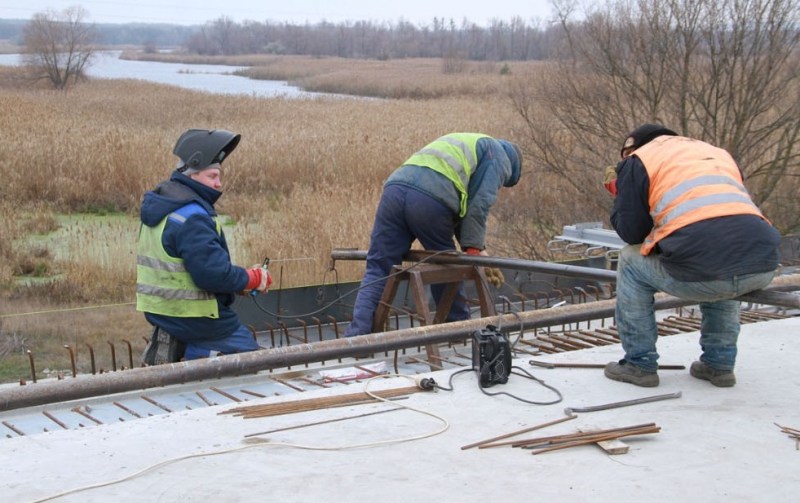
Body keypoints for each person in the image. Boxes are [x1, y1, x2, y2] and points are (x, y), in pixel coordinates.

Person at [603, 124, 781, 387]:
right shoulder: (715, 153)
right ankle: (719, 365)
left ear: (633, 148)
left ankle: (639, 364)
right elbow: (715, 216)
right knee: (720, 255)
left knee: (630, 259)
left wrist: (622, 193)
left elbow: (632, 233)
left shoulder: (638, 160)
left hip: (708, 271)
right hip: (762, 264)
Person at [343, 132, 522, 338]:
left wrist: (473, 246)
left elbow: (462, 206)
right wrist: (474, 249)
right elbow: (478, 205)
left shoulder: (470, 143)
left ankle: (358, 336)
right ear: (512, 169)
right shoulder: (499, 155)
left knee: (378, 267)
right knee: (445, 265)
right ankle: (458, 329)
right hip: (428, 200)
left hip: (394, 192)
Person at [136, 128, 272, 365]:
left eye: (219, 176)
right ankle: (202, 367)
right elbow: (213, 275)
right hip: (195, 317)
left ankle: (191, 358)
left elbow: (184, 267)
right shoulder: (193, 217)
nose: (218, 183)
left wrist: (237, 283)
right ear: (192, 175)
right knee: (252, 361)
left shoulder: (164, 206)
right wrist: (251, 278)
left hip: (162, 313)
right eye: (212, 176)